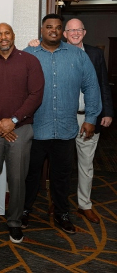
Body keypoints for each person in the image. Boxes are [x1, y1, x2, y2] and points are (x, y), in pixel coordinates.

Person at [22, 14, 101, 234]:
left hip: (66, 129)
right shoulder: (28, 55)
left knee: (62, 176)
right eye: (49, 27)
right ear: (42, 29)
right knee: (30, 175)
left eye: (58, 27)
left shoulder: (78, 56)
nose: (54, 31)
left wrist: (91, 118)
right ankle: (25, 211)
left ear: (62, 32)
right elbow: (16, 88)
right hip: (36, 128)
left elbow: (92, 87)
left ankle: (62, 213)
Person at [0, 23, 44, 243]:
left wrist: (13, 121)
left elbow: (36, 94)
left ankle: (14, 222)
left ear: (13, 36)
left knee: (17, 178)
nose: (3, 37)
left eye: (6, 33)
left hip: (20, 129)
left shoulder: (30, 61)